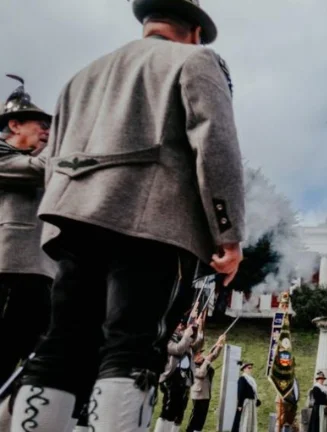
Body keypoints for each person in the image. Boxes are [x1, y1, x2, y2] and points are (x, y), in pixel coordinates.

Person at [9, 0, 245, 431]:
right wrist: (227, 234)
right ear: (195, 30)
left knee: (61, 344)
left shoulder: (84, 74)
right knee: (133, 343)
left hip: (75, 222)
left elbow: (53, 157)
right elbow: (217, 149)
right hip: (150, 221)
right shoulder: (198, 60)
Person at [0, 75, 56, 387]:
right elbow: (39, 170)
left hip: (41, 274)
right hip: (9, 271)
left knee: (36, 370)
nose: (47, 131)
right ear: (15, 124)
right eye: (40, 123)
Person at [155, 319, 205, 432]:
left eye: (182, 324)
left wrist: (200, 329)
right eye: (179, 324)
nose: (181, 326)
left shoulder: (184, 339)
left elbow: (197, 346)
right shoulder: (168, 338)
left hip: (184, 378)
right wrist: (187, 335)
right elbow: (178, 349)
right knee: (168, 408)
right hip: (172, 377)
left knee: (179, 410)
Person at [186, 334, 225, 432]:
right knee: (195, 417)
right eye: (198, 354)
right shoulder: (191, 365)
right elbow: (201, 373)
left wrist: (219, 343)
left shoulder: (202, 362)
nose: (200, 355)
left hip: (206, 394)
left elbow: (212, 355)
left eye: (200, 354)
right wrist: (207, 361)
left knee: (202, 418)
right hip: (198, 394)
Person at [232, 362, 261, 432]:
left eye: (251, 368)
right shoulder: (242, 379)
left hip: (251, 402)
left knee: (250, 420)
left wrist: (256, 400)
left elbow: (253, 392)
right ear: (244, 369)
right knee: (244, 419)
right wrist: (240, 405)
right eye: (249, 368)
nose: (250, 369)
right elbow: (240, 392)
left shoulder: (251, 379)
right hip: (246, 402)